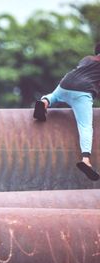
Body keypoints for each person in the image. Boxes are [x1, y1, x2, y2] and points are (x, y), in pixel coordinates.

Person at [33, 42, 100, 181]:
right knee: (85, 126)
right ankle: (86, 159)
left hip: (66, 83)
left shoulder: (88, 59)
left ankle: (44, 103)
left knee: (55, 96)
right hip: (82, 91)